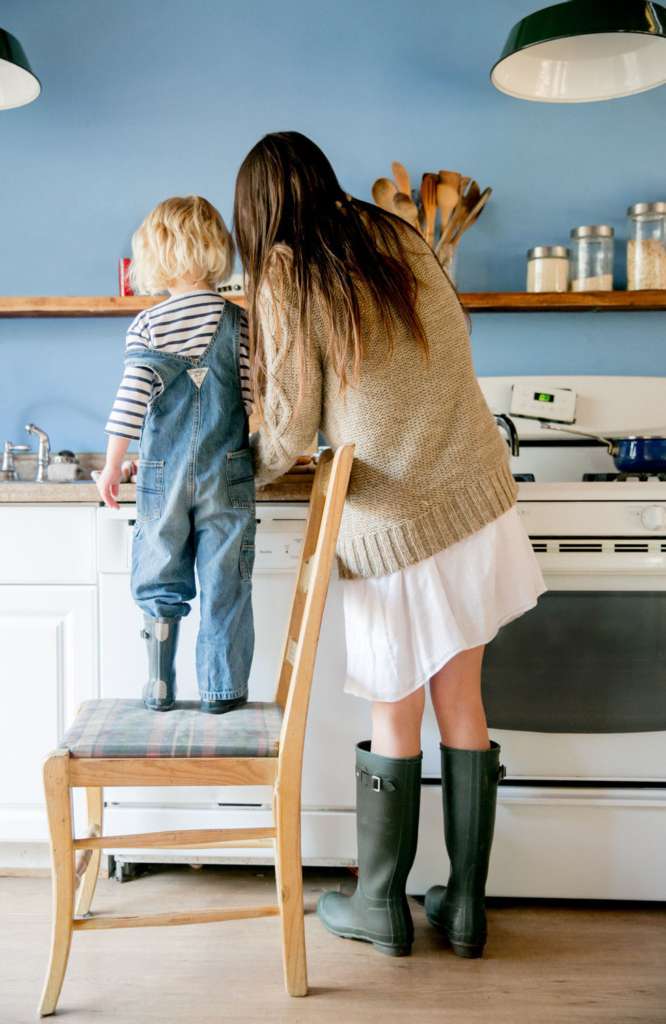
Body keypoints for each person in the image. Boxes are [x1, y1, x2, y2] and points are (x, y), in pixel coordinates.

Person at [233, 133, 545, 958]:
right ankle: (465, 909)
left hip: (398, 520)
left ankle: (379, 904)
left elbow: (292, 423)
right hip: (475, 498)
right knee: (463, 705)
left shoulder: (285, 270)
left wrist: (240, 465)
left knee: (392, 708)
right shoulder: (395, 232)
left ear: (258, 211)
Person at [97, 195, 255, 714]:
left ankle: (160, 687)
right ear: (216, 251)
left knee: (160, 576)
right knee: (225, 584)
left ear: (156, 256)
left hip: (161, 476)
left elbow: (130, 401)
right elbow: (253, 401)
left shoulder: (149, 323)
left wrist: (112, 463)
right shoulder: (241, 322)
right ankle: (221, 694)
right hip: (228, 472)